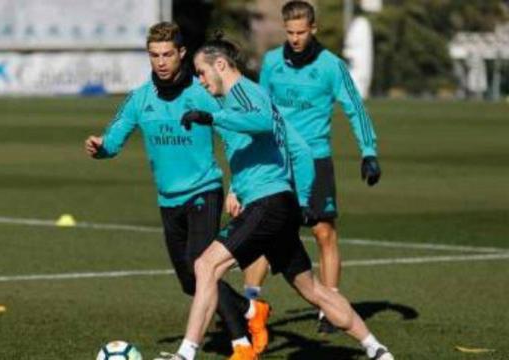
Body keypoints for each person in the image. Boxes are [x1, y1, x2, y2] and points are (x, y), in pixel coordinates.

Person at [154, 34, 393, 360]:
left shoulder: (245, 93)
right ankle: (376, 348)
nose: (200, 79)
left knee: (205, 265)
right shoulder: (250, 96)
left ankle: (185, 354)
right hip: (277, 204)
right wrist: (302, 200)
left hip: (266, 205)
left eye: (201, 71)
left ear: (220, 65)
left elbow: (260, 121)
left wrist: (213, 118)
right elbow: (300, 150)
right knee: (312, 289)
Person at [84, 22, 267, 360]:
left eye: (168, 54)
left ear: (181, 53)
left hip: (204, 191)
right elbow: (115, 136)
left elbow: (235, 137)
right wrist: (101, 147)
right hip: (168, 200)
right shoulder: (140, 98)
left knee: (202, 268)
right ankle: (250, 311)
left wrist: (238, 187)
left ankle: (241, 345)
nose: (161, 62)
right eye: (154, 55)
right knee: (189, 281)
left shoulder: (203, 93)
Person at [241, 0, 382, 333]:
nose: (295, 38)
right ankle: (250, 305)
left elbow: (355, 109)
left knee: (323, 233)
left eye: (301, 32)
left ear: (313, 29)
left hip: (316, 160)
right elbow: (259, 109)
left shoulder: (332, 67)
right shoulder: (273, 62)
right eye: (289, 32)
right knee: (263, 230)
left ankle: (330, 308)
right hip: (276, 160)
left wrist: (369, 152)